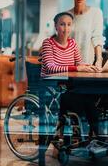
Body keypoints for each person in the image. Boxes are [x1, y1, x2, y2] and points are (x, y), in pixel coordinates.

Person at [40, 11, 100, 141]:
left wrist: (89, 67)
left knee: (90, 99)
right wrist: (76, 68)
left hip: (67, 87)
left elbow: (79, 63)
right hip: (52, 89)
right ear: (56, 26)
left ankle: (97, 136)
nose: (66, 28)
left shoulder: (72, 43)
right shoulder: (48, 43)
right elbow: (51, 68)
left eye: (68, 24)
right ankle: (86, 136)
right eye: (62, 24)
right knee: (82, 100)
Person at [68, 0, 104, 68]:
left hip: (87, 64)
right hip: (69, 65)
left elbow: (97, 37)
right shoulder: (67, 15)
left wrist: (99, 59)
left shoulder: (96, 13)